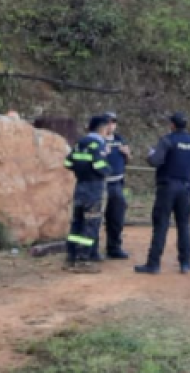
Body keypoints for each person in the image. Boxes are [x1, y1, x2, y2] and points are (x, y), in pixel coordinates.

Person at [136, 112, 190, 275]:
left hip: (167, 187)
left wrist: (150, 154)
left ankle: (153, 264)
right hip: (185, 188)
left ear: (172, 125)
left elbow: (155, 161)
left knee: (161, 225)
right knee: (184, 225)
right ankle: (185, 263)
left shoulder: (167, 140)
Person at [63, 116, 111, 274]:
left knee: (77, 222)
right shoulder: (97, 145)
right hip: (93, 188)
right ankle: (83, 260)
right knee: (90, 223)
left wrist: (81, 170)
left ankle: (71, 257)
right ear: (102, 128)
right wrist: (108, 169)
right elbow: (100, 166)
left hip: (80, 186)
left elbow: (67, 163)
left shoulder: (80, 143)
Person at [101, 112, 130, 260]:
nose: (111, 125)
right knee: (94, 218)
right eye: (108, 122)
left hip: (117, 183)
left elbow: (127, 159)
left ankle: (114, 248)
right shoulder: (97, 140)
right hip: (100, 184)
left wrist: (127, 154)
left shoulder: (120, 140)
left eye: (113, 122)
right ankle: (90, 250)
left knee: (116, 217)